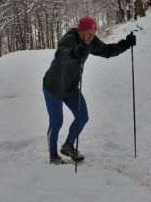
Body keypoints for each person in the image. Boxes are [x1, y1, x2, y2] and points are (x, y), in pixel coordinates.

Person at [42, 16, 136, 164]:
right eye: (90, 33)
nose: (92, 37)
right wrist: (74, 53)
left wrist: (125, 44)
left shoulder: (91, 42)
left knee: (83, 116)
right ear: (81, 31)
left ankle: (68, 146)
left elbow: (107, 51)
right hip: (53, 86)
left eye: (94, 33)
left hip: (70, 87)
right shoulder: (69, 39)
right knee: (57, 122)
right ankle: (53, 156)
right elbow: (61, 54)